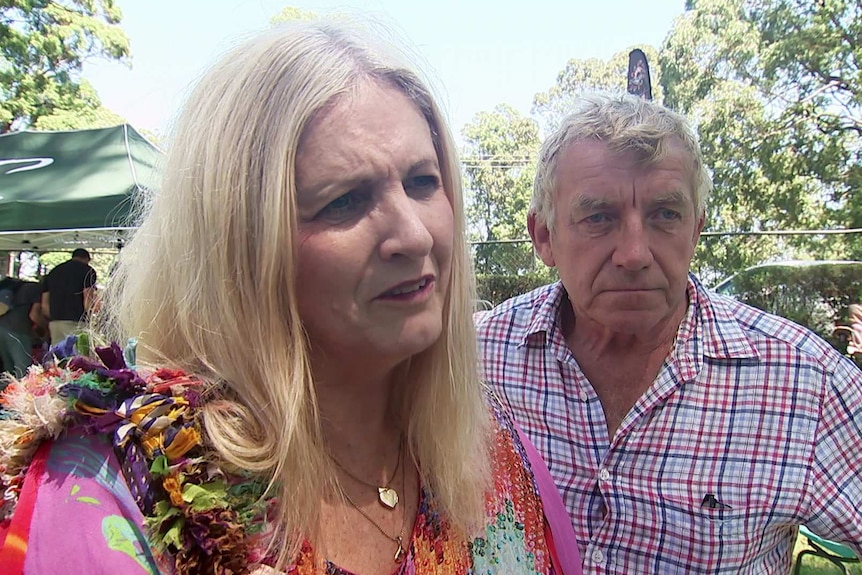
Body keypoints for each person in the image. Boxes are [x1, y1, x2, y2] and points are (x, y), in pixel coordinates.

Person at [0, 21, 581, 575]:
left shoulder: (496, 456)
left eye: (423, 182)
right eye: (345, 201)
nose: (414, 233)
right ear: (239, 248)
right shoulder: (125, 486)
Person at [476, 93, 862, 574]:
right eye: (599, 217)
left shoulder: (805, 382)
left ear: (696, 230)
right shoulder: (476, 360)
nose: (634, 253)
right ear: (544, 237)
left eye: (665, 215)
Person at [40, 247, 97, 343]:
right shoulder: (87, 270)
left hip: (55, 323)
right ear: (87, 259)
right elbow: (88, 297)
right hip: (76, 322)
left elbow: (44, 304)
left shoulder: (54, 271)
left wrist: (52, 317)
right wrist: (92, 318)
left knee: (58, 355)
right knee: (78, 355)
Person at [0, 278, 44, 378]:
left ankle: (6, 392)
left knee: (8, 371)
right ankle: (20, 393)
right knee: (23, 371)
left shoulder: (18, 287)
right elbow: (34, 315)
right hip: (18, 331)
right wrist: (45, 328)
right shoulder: (37, 289)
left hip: (2, 328)